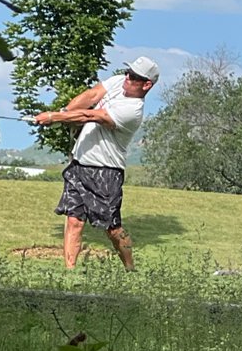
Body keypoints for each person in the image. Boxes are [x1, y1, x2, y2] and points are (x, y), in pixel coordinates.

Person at [34, 56, 159, 270]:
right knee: (74, 220)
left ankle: (131, 268)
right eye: (128, 72)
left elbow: (90, 115)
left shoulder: (133, 111)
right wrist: (65, 112)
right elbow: (90, 96)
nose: (127, 78)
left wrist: (54, 117)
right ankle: (69, 272)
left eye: (134, 77)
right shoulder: (118, 81)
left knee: (113, 228)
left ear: (146, 85)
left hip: (106, 171)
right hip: (79, 163)